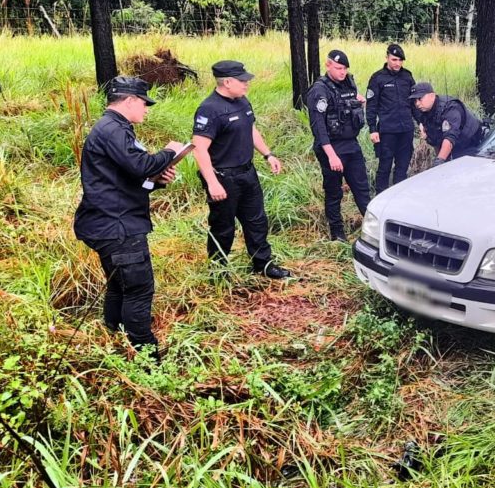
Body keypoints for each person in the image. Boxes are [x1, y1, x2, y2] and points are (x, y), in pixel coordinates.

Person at [73, 76, 184, 358]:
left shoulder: (113, 129)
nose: (146, 110)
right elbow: (139, 164)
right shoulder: (113, 130)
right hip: (118, 227)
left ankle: (113, 334)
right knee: (138, 288)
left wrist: (156, 180)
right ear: (131, 101)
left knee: (118, 284)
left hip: (108, 222)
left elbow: (125, 177)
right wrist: (169, 152)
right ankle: (147, 356)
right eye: (144, 104)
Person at [192, 60, 292, 279]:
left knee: (256, 221)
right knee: (223, 227)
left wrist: (268, 154)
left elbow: (251, 130)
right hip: (223, 177)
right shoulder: (210, 109)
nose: (247, 84)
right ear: (227, 82)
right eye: (242, 80)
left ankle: (262, 265)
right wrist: (212, 182)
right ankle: (218, 272)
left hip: (247, 173)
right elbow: (199, 149)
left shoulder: (242, 101)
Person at [308, 49, 371, 241]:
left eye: (344, 68)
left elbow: (349, 104)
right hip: (331, 147)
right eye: (338, 68)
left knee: (362, 188)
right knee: (334, 191)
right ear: (328, 65)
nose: (342, 72)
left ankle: (372, 228)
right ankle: (337, 234)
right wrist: (331, 155)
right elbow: (318, 127)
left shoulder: (348, 83)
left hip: (351, 144)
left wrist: (360, 101)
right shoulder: (319, 90)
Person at [365, 42, 416, 193]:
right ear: (387, 57)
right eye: (394, 60)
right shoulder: (377, 78)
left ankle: (398, 197)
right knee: (385, 166)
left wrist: (421, 123)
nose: (397, 63)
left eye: (400, 60)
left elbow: (414, 103)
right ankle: (381, 197)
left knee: (403, 166)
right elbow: (371, 106)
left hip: (406, 129)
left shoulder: (407, 77)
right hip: (387, 130)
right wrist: (373, 129)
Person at [410, 82, 483, 166]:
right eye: (414, 101)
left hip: (472, 144)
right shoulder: (424, 113)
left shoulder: (449, 108)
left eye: (420, 98)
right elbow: (436, 140)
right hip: (454, 147)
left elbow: (449, 137)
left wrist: (439, 161)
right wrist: (427, 137)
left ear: (432, 95)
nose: (417, 104)